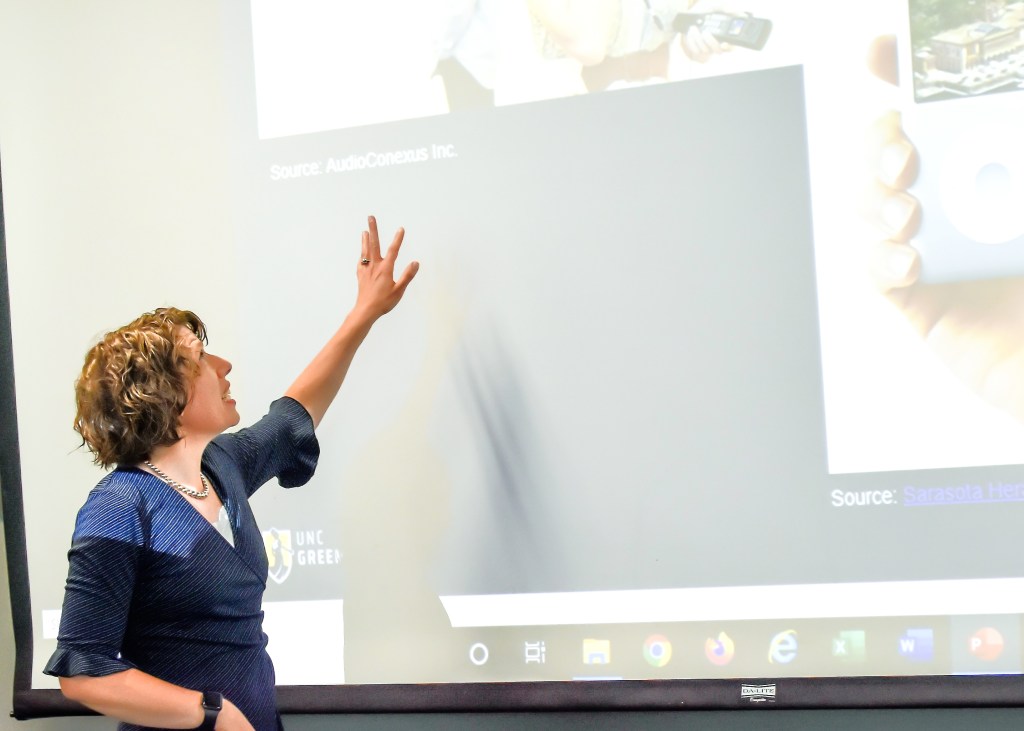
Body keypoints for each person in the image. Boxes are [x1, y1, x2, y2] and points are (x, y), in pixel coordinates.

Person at [43, 216, 418, 731]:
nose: (224, 365)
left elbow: (293, 416)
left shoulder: (223, 466)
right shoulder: (118, 506)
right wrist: (210, 715)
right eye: (200, 357)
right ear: (161, 394)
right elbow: (85, 672)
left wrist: (364, 312)